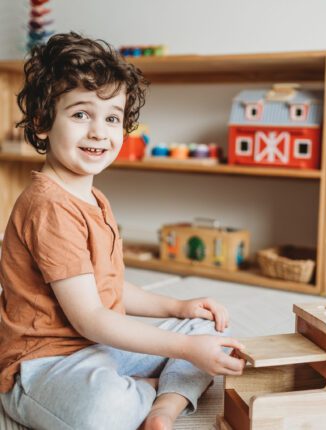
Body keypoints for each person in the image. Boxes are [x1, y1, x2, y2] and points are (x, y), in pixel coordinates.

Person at [0, 32, 246, 430]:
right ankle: (146, 391)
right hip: (46, 365)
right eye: (81, 114)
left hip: (103, 345)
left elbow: (107, 291)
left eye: (112, 117)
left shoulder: (95, 199)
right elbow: (89, 317)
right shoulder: (47, 206)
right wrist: (183, 349)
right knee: (104, 412)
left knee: (212, 330)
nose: (99, 131)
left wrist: (179, 309)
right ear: (43, 123)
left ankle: (162, 407)